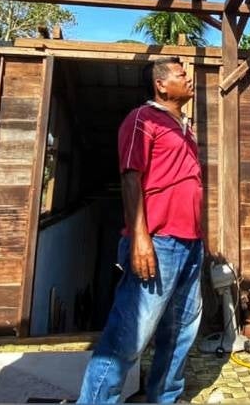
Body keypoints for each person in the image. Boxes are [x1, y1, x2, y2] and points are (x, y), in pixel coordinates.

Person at [78, 57, 204, 404]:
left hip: (191, 242)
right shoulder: (142, 119)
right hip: (158, 241)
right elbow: (130, 177)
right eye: (181, 75)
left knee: (181, 330)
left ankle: (165, 397)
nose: (188, 79)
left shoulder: (185, 126)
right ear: (161, 85)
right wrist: (140, 238)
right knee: (130, 334)